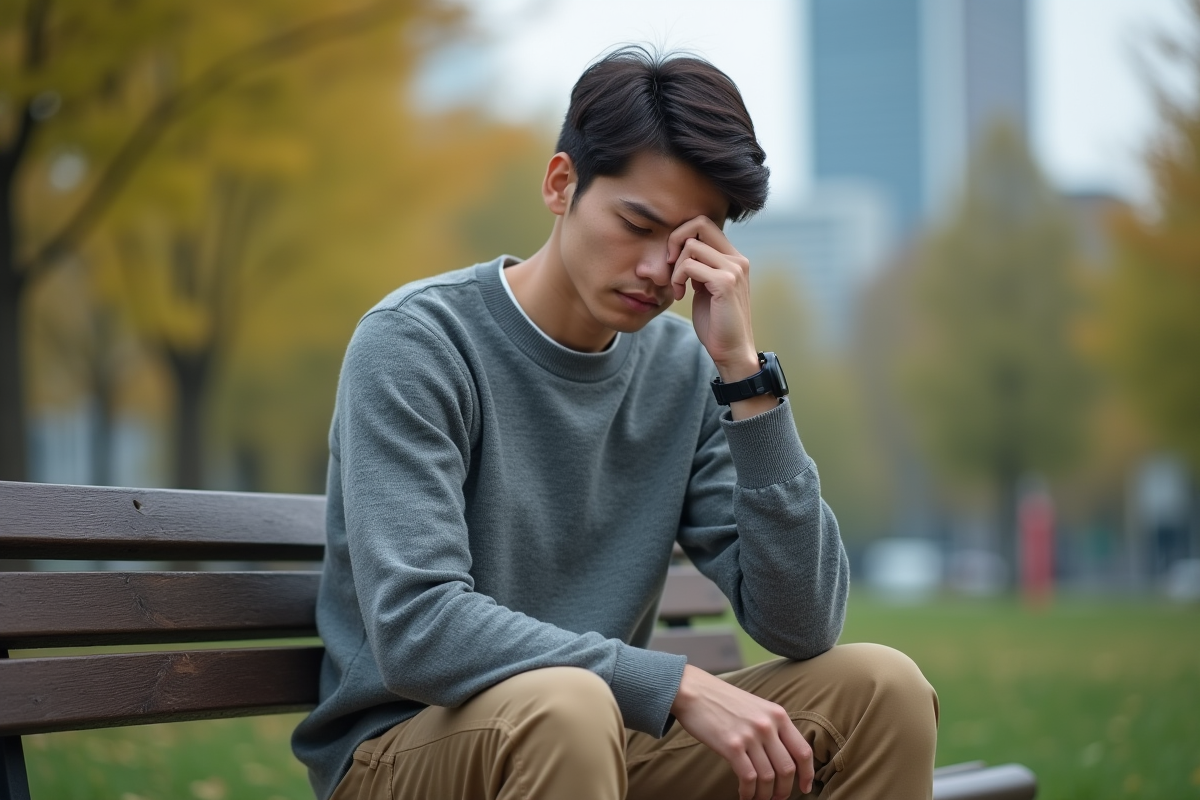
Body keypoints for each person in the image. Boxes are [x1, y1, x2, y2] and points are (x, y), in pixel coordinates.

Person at [292, 46, 938, 800]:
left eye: (689, 245)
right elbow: (418, 627)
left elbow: (803, 624)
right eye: (637, 224)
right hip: (404, 752)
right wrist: (679, 686)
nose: (659, 272)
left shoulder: (688, 369)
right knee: (566, 705)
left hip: (599, 740)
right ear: (561, 184)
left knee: (880, 689)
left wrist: (744, 374)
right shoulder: (417, 343)